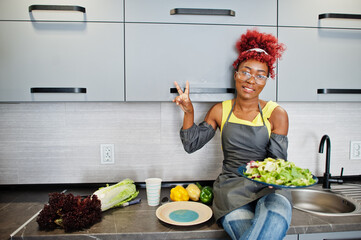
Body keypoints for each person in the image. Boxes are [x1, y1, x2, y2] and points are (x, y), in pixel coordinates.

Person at [173, 29, 292, 240]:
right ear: (235, 73)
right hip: (232, 191)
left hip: (271, 191)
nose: (251, 80)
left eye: (260, 75)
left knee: (270, 224)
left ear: (266, 80)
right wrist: (189, 112)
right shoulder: (220, 110)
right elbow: (191, 144)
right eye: (246, 72)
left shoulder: (277, 114)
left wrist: (276, 178)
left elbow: (276, 163)